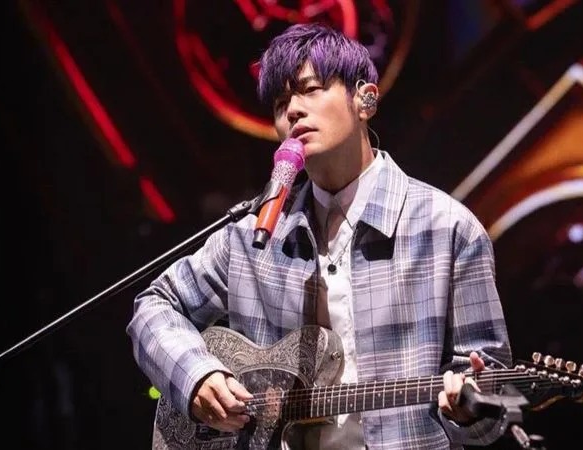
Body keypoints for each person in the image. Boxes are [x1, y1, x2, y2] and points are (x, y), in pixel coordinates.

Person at [127, 23, 512, 449]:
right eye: (280, 103)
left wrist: (469, 409)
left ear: (365, 100)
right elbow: (154, 305)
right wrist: (197, 376)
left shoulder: (448, 229)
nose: (293, 110)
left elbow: (490, 391)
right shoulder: (253, 238)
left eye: (310, 90)